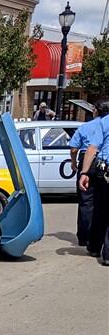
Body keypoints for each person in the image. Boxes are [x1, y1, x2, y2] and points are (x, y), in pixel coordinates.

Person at [77, 99, 109, 264]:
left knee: (100, 210)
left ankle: (95, 246)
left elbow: (92, 148)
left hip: (104, 170)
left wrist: (84, 172)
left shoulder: (103, 123)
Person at [69, 110, 104, 246]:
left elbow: (73, 148)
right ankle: (98, 238)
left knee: (86, 201)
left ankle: (84, 237)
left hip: (86, 160)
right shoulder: (106, 125)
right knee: (102, 201)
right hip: (103, 161)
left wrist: (73, 163)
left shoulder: (85, 126)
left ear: (96, 111)